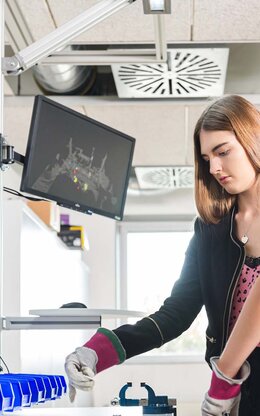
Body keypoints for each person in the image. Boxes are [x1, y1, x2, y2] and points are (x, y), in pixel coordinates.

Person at [64, 95, 260, 415]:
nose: (214, 167)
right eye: (207, 157)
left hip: (228, 382)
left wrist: (223, 379)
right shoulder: (210, 231)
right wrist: (97, 351)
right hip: (239, 387)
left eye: (223, 151)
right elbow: (174, 315)